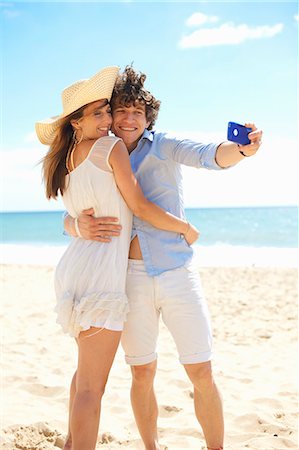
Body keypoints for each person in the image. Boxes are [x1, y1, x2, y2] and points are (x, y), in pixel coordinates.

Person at [64, 66, 263, 450]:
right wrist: (76, 225)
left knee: (201, 370)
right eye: (120, 110)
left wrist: (240, 149)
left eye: (137, 112)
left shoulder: (165, 145)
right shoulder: (101, 152)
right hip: (128, 277)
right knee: (142, 372)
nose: (127, 118)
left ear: (148, 117)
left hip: (176, 272)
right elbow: (76, 202)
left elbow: (208, 155)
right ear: (109, 115)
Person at [35, 66, 200, 450]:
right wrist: (184, 228)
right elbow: (139, 205)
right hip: (101, 275)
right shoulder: (108, 149)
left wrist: (74, 225)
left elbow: (75, 215)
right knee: (93, 388)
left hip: (76, 267)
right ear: (76, 122)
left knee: (83, 375)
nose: (108, 120)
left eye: (106, 111)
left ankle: (70, 442)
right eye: (98, 114)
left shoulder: (66, 159)